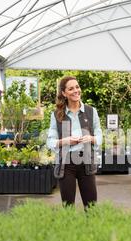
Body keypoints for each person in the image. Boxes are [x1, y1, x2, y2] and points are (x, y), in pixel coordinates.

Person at [47, 76, 102, 208]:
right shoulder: (57, 114)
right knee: (68, 207)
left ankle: (93, 229)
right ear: (64, 93)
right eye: (71, 88)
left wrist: (91, 138)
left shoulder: (91, 111)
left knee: (91, 207)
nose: (76, 91)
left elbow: (100, 135)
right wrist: (64, 141)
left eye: (77, 87)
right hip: (67, 164)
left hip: (86, 162)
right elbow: (50, 141)